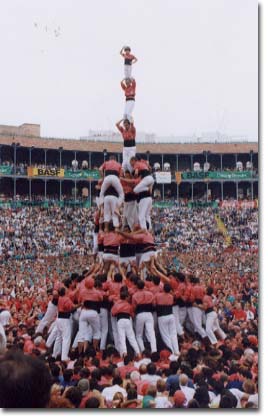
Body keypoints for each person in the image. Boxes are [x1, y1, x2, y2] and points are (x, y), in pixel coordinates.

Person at [111, 288, 140, 358]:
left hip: (120, 321)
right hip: (127, 320)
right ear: (126, 297)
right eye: (128, 296)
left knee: (122, 338)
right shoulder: (128, 305)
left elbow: (112, 313)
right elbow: (132, 315)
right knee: (132, 338)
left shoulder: (116, 304)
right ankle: (139, 353)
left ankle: (124, 355)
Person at [99, 155, 124, 231]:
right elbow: (122, 171)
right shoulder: (118, 164)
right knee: (121, 194)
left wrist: (103, 178)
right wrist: (119, 179)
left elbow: (100, 169)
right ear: (115, 159)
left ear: (110, 159)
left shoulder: (106, 163)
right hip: (115, 178)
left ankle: (101, 209)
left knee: (101, 193)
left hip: (107, 178)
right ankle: (117, 208)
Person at [132, 280, 157, 353]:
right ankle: (154, 350)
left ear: (137, 286)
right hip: (149, 314)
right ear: (144, 286)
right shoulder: (150, 294)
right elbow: (154, 304)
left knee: (139, 335)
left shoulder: (135, 295)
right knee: (151, 333)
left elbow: (134, 307)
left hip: (140, 314)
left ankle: (143, 351)